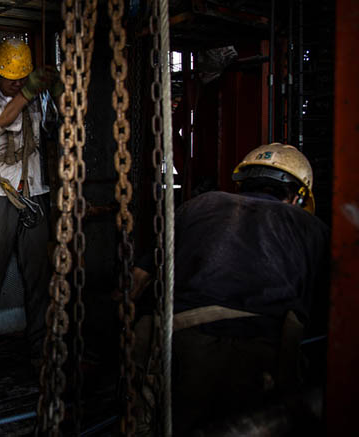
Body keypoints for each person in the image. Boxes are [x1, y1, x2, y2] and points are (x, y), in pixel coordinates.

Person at [132, 143, 329, 434]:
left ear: (243, 182)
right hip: (265, 351)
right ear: (298, 196)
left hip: (183, 344)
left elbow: (138, 278)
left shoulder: (197, 206)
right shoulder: (310, 227)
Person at [0, 37, 57, 372]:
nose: (15, 83)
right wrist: (28, 92)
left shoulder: (35, 101)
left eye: (22, 78)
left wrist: (51, 91)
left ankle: (39, 346)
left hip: (34, 195)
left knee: (38, 275)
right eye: (10, 78)